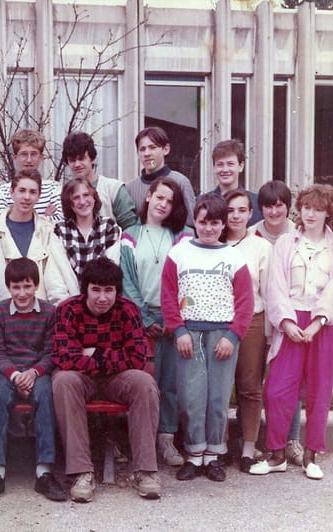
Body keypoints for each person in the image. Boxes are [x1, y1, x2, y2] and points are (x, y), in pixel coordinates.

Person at [161, 193, 254, 482]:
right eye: (203, 222)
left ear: (223, 224)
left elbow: (245, 302)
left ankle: (214, 455)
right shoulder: (179, 253)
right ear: (195, 221)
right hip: (189, 334)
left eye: (215, 223)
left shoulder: (233, 257)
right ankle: (194, 454)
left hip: (222, 335)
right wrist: (178, 330)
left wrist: (233, 336)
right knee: (192, 397)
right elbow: (168, 295)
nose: (209, 228)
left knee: (217, 397)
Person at [52, 257, 161, 501]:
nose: (102, 298)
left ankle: (145, 470)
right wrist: (112, 356)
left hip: (117, 379)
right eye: (96, 290)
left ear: (117, 291)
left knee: (144, 383)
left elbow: (137, 358)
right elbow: (64, 358)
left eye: (109, 290)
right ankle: (81, 472)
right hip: (81, 379)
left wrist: (95, 353)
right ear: (86, 289)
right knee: (63, 381)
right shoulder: (68, 309)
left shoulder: (128, 309)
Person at [250, 184, 333, 480]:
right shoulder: (286, 243)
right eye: (306, 207)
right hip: (290, 321)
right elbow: (276, 286)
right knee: (276, 390)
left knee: (319, 391)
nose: (311, 214)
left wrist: (317, 322)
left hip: (322, 324)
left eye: (318, 209)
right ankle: (277, 455)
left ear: (328, 212)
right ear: (299, 210)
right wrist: (287, 323)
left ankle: (311, 456)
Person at [0, 258, 67, 503]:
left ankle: (44, 471)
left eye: (27, 286)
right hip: (8, 372)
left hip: (38, 372)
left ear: (36, 285)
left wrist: (34, 372)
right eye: (16, 287)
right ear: (8, 287)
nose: (22, 293)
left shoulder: (49, 312)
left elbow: (52, 352)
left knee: (46, 393)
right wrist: (15, 375)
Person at [120, 176, 192, 467]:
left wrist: (176, 318)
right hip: (142, 317)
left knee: (171, 382)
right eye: (159, 197)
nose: (163, 204)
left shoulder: (183, 236)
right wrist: (145, 318)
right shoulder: (130, 235)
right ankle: (142, 441)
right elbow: (127, 280)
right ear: (148, 196)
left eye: (170, 201)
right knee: (145, 381)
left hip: (174, 317)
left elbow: (189, 280)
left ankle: (166, 438)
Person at [250, 180, 303, 465]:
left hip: (289, 319)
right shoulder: (251, 234)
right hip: (259, 317)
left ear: (288, 207)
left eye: (279, 205)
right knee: (254, 381)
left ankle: (291, 440)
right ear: (261, 208)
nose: (274, 212)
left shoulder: (299, 234)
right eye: (268, 206)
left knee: (289, 381)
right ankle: (253, 439)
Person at [221, 189, 271, 472]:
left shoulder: (261, 247)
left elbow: (267, 291)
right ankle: (220, 445)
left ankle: (248, 448)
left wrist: (269, 333)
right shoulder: (214, 242)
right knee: (220, 386)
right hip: (220, 321)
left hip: (252, 320)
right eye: (230, 210)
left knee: (249, 386)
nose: (236, 216)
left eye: (242, 210)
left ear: (250, 213)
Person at [0, 169, 75, 303]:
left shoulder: (47, 230)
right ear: (11, 193)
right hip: (4, 311)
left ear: (39, 196)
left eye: (33, 192)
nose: (27, 197)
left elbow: (55, 281)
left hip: (40, 310)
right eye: (22, 191)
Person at [61, 131, 138, 229]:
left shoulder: (113, 189)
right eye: (72, 160)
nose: (77, 164)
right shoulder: (66, 193)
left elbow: (131, 229)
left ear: (92, 159)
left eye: (81, 158)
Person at [53, 178, 122, 285]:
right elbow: (60, 271)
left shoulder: (108, 226)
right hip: (70, 293)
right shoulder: (60, 230)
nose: (82, 201)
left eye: (86, 195)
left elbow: (111, 268)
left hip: (101, 290)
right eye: (76, 197)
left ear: (94, 197)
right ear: (69, 203)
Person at [125, 126, 196, 227]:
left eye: (152, 147)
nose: (147, 154)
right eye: (142, 149)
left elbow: (192, 224)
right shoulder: (130, 188)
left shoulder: (180, 182)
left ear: (166, 149)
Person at [0, 129, 63, 223]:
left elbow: (61, 221)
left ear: (41, 157)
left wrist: (16, 217)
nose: (29, 160)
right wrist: (45, 218)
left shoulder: (54, 189)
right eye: (24, 154)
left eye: (33, 154)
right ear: (15, 157)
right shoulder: (4, 191)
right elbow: (0, 224)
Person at [206, 139, 262, 226]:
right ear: (214, 167)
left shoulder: (257, 204)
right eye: (220, 164)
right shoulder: (202, 203)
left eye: (230, 164)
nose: (225, 169)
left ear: (241, 166)